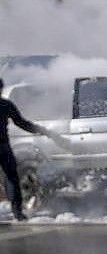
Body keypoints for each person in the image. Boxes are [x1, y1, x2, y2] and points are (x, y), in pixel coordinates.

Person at [0, 77, 65, 221]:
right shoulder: (5, 104)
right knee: (12, 178)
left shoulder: (6, 104)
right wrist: (43, 131)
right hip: (3, 146)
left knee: (12, 178)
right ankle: (17, 212)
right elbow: (22, 123)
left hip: (3, 146)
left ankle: (17, 211)